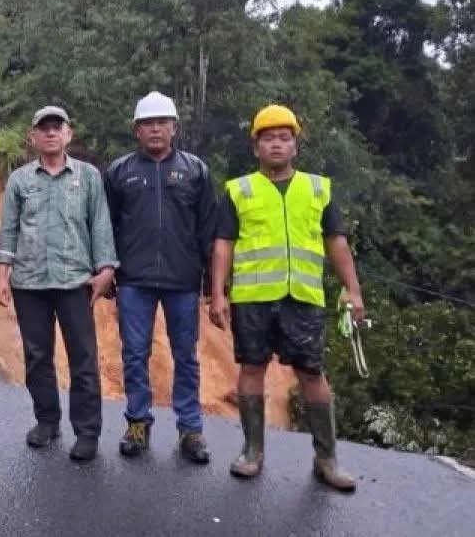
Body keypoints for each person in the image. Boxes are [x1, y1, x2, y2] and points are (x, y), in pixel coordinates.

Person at [209, 104, 365, 492]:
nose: (276, 145)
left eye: (284, 138)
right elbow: (223, 244)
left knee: (312, 372)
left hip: (304, 298)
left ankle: (326, 459)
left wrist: (353, 289)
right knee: (251, 369)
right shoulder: (238, 190)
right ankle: (252, 451)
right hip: (253, 298)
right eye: (268, 138)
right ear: (256, 147)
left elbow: (337, 242)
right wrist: (217, 293)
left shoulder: (318, 188)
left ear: (295, 145)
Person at [0, 106, 118, 460]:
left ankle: (88, 431)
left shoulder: (89, 176)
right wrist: (2, 274)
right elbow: (9, 229)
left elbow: (100, 224)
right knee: (37, 356)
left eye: (56, 127)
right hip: (29, 283)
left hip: (75, 281)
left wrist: (106, 269)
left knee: (83, 357)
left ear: (68, 134)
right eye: (43, 128)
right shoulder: (20, 180)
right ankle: (47, 421)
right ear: (33, 137)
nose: (50, 133)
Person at [103, 91, 215, 464]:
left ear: (174, 128)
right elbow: (107, 226)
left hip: (183, 280)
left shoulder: (196, 170)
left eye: (161, 123)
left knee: (186, 356)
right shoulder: (120, 172)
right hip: (134, 279)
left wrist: (212, 284)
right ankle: (138, 423)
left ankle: (191, 429)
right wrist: (108, 270)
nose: (155, 129)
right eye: (147, 124)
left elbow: (208, 229)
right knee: (135, 355)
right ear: (137, 130)